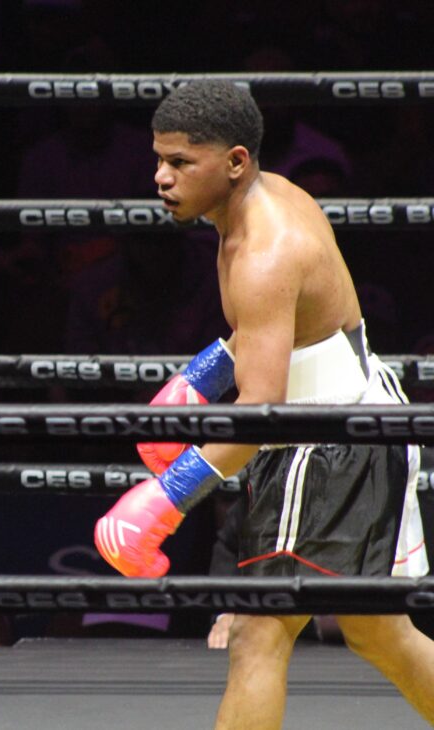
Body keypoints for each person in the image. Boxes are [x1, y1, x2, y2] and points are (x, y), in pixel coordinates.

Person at [92, 80, 434, 728]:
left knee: (257, 635)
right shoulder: (265, 199)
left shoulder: (264, 252)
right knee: (379, 633)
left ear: (236, 162)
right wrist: (200, 378)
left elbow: (262, 412)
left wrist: (166, 498)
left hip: (323, 444)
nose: (161, 178)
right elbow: (277, 329)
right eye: (159, 159)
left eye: (181, 163)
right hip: (343, 425)